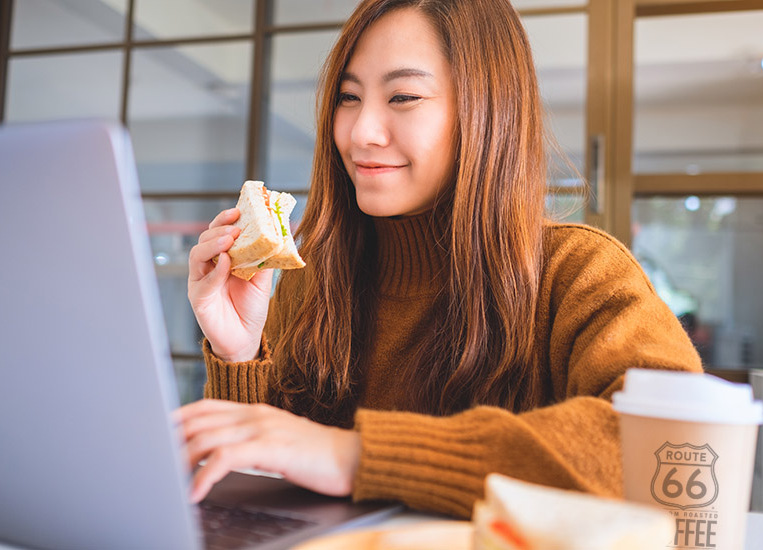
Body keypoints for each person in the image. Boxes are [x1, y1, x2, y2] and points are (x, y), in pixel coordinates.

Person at [177, 0, 702, 519]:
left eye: (403, 96)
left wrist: (358, 456)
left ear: (488, 110)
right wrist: (240, 354)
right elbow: (264, 502)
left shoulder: (580, 272)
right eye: (348, 97)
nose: (360, 133)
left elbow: (670, 444)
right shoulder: (306, 277)